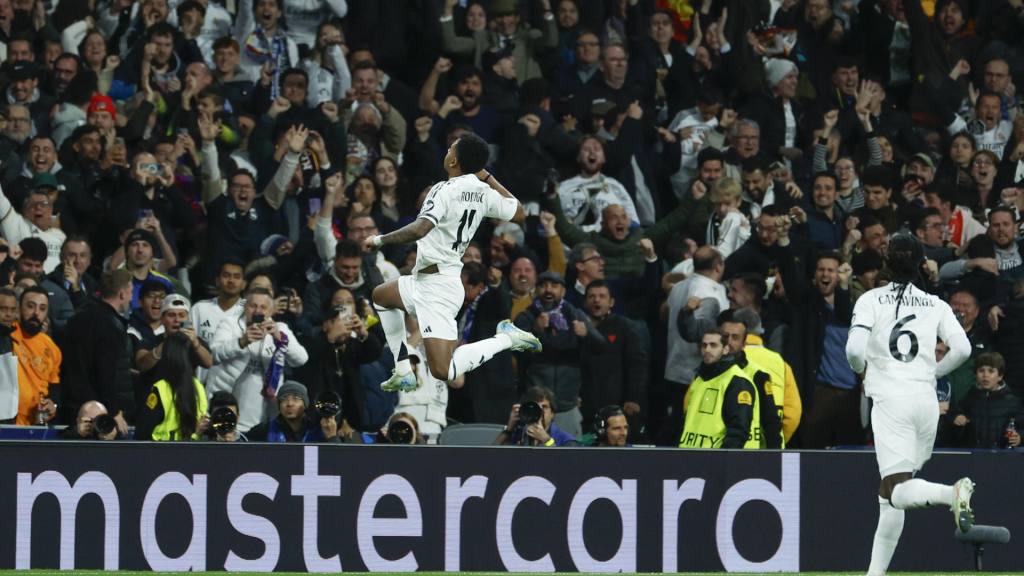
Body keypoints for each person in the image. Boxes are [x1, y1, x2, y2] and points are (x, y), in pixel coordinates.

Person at [364, 133, 541, 393]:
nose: (447, 151)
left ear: (454, 160)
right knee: (381, 296)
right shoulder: (483, 192)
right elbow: (519, 212)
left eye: (450, 149)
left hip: (438, 287)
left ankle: (506, 338)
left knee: (443, 370)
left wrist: (380, 240)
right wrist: (487, 177)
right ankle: (402, 371)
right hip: (425, 280)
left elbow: (420, 229)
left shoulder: (443, 189)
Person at [845, 232, 976, 576]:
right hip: (925, 402)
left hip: (892, 401)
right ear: (921, 264)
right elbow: (962, 349)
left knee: (898, 490)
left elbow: (855, 351)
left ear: (887, 262)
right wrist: (933, 373)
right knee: (888, 496)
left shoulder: (871, 300)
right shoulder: (936, 304)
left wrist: (861, 372)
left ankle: (953, 493)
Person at [59, 269, 135, 434]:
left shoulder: (77, 318)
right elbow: (106, 373)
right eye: (131, 292)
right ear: (122, 294)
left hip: (72, 406)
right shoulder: (111, 326)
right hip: (100, 416)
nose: (131, 298)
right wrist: (114, 412)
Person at [679, 328, 761, 449]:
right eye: (704, 345)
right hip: (691, 456)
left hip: (716, 461)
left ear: (725, 349)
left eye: (713, 345)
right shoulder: (699, 379)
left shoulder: (737, 381)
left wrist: (723, 461)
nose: (707, 349)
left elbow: (738, 431)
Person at [134, 332, 209, 441]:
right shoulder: (199, 387)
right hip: (192, 453)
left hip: (161, 453)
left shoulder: (160, 389)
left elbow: (142, 433)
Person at [12, 286, 61, 426]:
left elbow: (54, 386)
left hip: (36, 424)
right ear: (19, 308)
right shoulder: (6, 335)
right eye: (30, 306)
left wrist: (53, 405)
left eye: (42, 308)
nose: (36, 313)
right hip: (7, 422)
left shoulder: (52, 348)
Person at [247, 381, 341, 443]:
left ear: (305, 404)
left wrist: (332, 437)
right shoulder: (265, 429)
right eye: (284, 399)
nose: (289, 404)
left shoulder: (317, 430)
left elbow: (338, 461)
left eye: (296, 399)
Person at [495, 385, 578, 446]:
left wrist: (547, 440)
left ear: (552, 414)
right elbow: (490, 458)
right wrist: (509, 429)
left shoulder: (566, 440)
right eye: (535, 407)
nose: (540, 411)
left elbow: (567, 466)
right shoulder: (518, 435)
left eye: (544, 407)